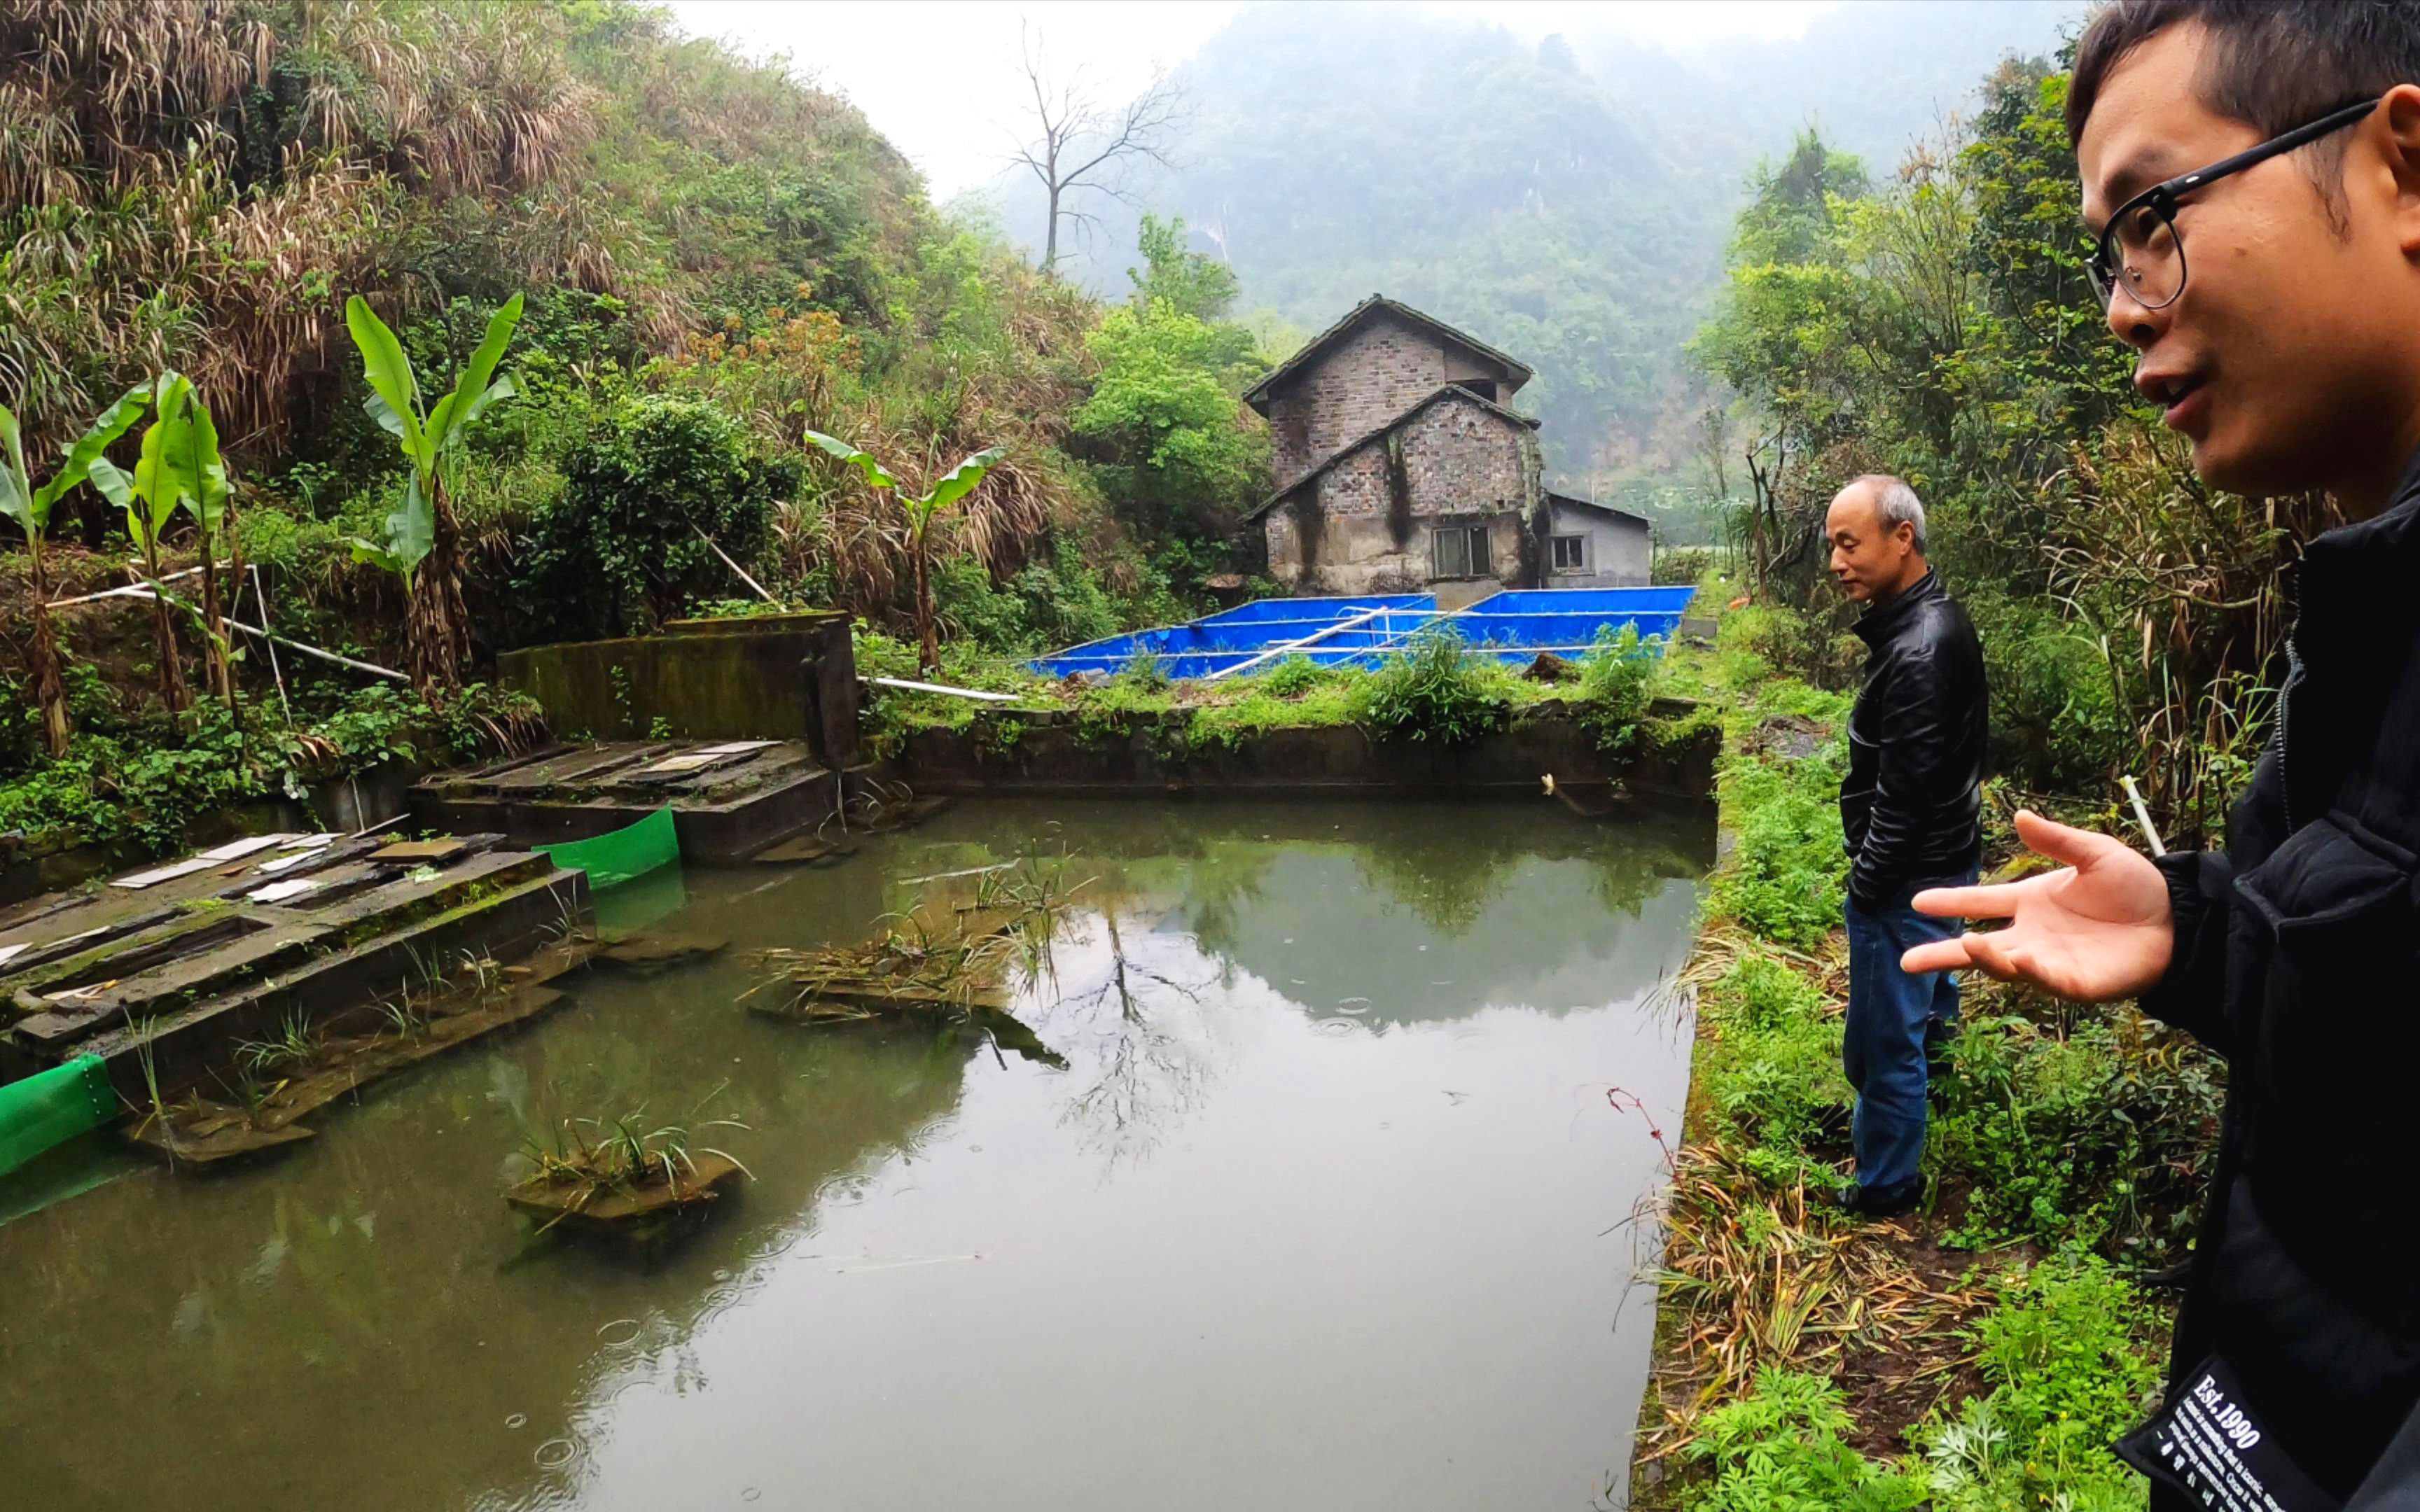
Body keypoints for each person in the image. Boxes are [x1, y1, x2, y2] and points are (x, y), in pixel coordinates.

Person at [1903, 1, 2420, 1501]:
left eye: (2156, 217)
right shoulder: (2364, 601)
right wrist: (2200, 930)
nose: (2126, 307)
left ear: (2399, 168)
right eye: (2106, 256)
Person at [1822, 476, 1988, 1219]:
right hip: (1948, 863)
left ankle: (1886, 1185)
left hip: (1910, 882)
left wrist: (1867, 888)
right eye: (1832, 544)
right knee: (1927, 1014)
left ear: (1902, 538)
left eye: (1848, 542)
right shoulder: (1933, 619)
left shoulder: (1918, 651)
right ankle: (1928, 1112)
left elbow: (1905, 796)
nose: (1836, 560)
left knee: (1881, 1048)